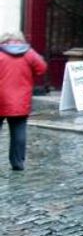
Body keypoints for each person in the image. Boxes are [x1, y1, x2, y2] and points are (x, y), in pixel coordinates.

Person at [0, 31, 47, 171]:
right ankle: (17, 162)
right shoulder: (29, 53)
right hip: (21, 100)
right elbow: (42, 68)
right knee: (19, 132)